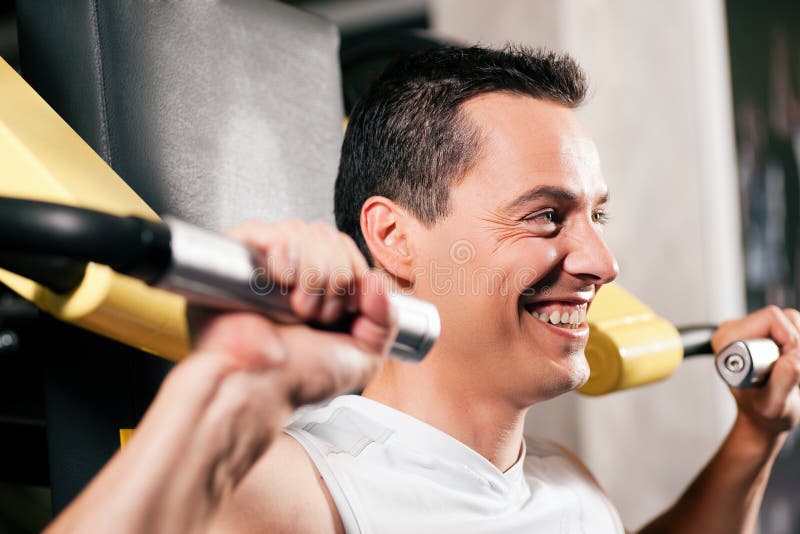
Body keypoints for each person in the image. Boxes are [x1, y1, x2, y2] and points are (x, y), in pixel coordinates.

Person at [49, 45, 800, 533]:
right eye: (547, 216)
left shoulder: (566, 488)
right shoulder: (304, 491)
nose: (603, 261)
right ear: (394, 239)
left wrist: (754, 436)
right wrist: (229, 393)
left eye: (595, 215)